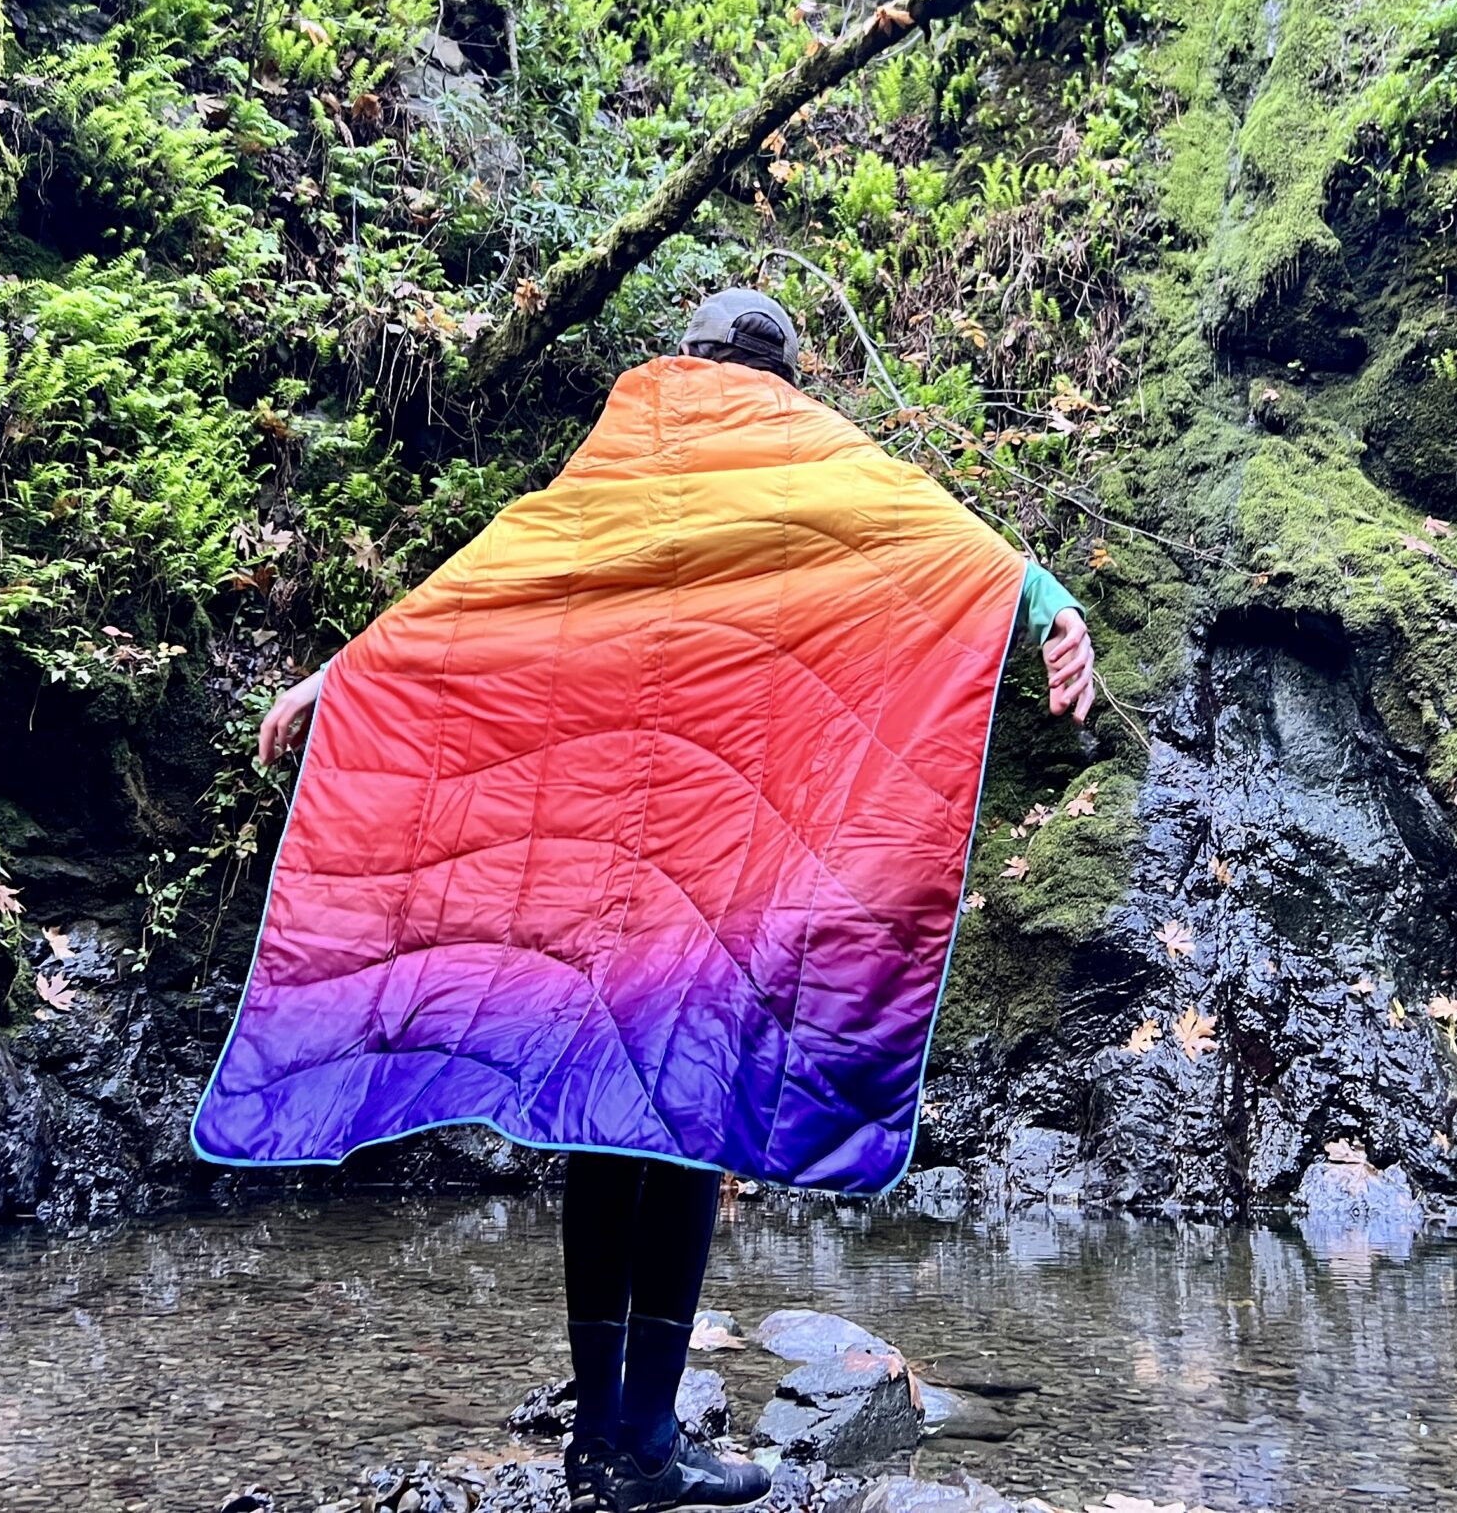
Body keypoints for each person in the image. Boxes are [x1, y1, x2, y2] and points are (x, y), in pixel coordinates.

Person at [242, 290, 1094, 1513]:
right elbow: (951, 550)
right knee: (687, 1119)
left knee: (604, 1125)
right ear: (786, 376)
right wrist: (1054, 610)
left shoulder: (623, 458)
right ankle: (647, 1443)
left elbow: (496, 586)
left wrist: (348, 672)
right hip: (725, 855)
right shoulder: (805, 455)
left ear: (685, 358)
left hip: (594, 861)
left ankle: (606, 1434)